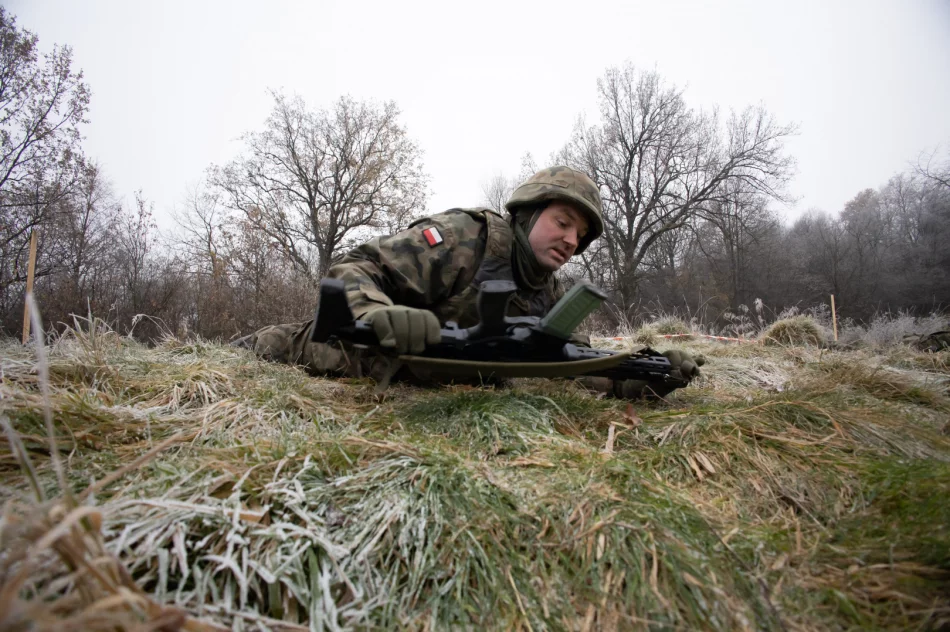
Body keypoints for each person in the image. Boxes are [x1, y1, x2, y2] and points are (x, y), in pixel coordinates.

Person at [234, 166, 702, 398]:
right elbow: (358, 266)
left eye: (579, 235)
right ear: (528, 213)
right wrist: (376, 314)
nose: (570, 240)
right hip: (346, 358)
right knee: (254, 354)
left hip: (431, 388)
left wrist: (643, 374)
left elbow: (571, 368)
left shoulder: (551, 292)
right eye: (562, 222)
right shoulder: (463, 239)